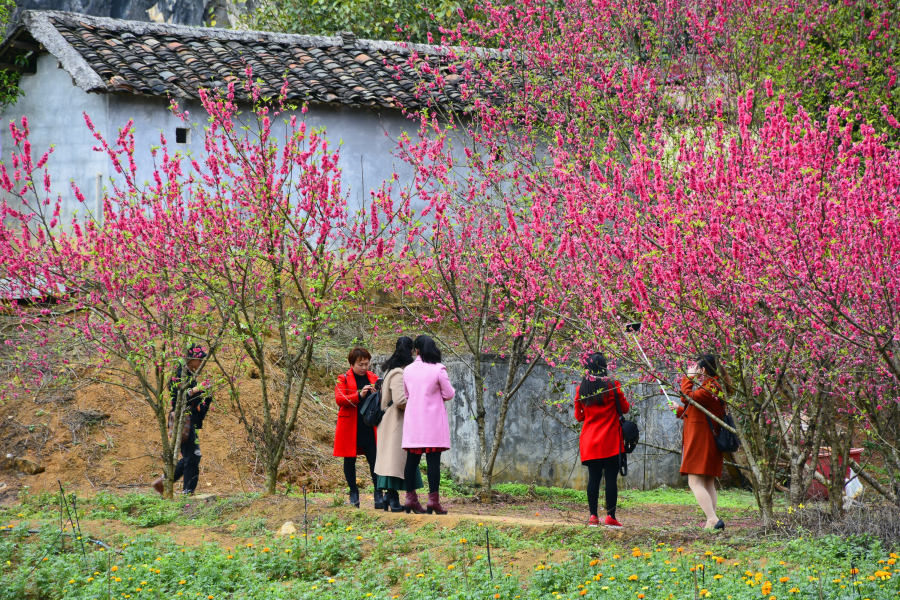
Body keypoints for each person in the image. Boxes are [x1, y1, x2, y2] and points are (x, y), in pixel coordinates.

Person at [668, 354, 727, 530]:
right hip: (705, 439)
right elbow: (698, 410)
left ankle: (712, 519)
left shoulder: (711, 387)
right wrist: (679, 411)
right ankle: (713, 519)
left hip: (702, 441)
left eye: (697, 370)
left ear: (703, 370)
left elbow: (687, 396)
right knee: (707, 482)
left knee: (694, 483)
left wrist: (688, 377)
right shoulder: (711, 386)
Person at [574, 352, 630, 528]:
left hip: (590, 441)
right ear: (605, 366)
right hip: (611, 441)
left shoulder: (581, 389)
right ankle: (611, 517)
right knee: (611, 479)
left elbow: (578, 416)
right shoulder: (613, 385)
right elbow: (626, 409)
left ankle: (593, 517)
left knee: (593, 479)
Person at [400, 335, 455, 515]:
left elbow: (407, 395)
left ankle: (410, 499)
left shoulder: (407, 370)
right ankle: (433, 501)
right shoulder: (438, 369)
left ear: (416, 350)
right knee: (433, 463)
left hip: (414, 421)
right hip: (432, 422)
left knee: (411, 461)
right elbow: (449, 394)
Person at [152, 345, 212, 496]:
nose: (200, 363)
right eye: (199, 359)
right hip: (183, 419)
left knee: (191, 455)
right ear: (191, 359)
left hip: (188, 419)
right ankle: (187, 490)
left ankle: (164, 482)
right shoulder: (179, 375)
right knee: (193, 456)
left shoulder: (188, 375)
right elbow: (179, 399)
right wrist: (197, 389)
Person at [373, 337, 423, 512]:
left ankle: (390, 497)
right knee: (395, 461)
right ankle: (392, 498)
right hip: (395, 423)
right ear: (411, 352)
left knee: (393, 461)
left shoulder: (390, 370)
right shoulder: (398, 373)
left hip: (391, 423)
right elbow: (401, 400)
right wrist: (419, 403)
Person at [334, 347, 380, 509]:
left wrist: (376, 394)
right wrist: (359, 396)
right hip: (350, 425)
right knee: (349, 460)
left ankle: (378, 493)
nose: (364, 367)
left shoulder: (373, 378)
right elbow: (339, 399)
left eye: (367, 364)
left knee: (374, 459)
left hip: (368, 425)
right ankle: (353, 492)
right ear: (352, 363)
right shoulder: (343, 378)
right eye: (360, 364)